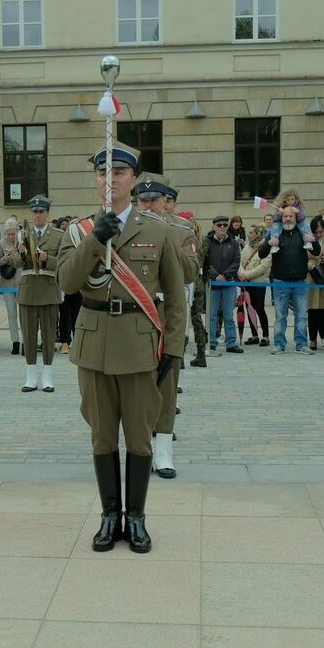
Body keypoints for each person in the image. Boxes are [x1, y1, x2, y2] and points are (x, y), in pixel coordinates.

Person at [56, 142, 185, 554]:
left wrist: (175, 350)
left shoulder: (158, 230)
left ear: (133, 179)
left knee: (140, 438)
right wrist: (96, 239)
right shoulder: (77, 231)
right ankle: (110, 515)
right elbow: (66, 281)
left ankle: (138, 517)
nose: (109, 180)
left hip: (140, 341)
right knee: (101, 436)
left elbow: (176, 297)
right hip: (93, 342)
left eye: (118, 173)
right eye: (102, 173)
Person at [139, 177, 196, 479]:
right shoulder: (128, 230)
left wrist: (166, 239)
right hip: (137, 315)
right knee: (138, 386)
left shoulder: (182, 231)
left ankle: (163, 453)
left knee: (167, 384)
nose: (148, 205)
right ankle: (142, 449)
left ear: (165, 202)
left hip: (168, 312)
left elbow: (190, 272)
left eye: (153, 200)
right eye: (143, 201)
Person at [1, 194, 63, 394]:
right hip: (27, 288)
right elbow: (15, 263)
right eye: (35, 212)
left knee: (48, 333)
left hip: (48, 287)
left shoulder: (58, 235)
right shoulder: (22, 235)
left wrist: (47, 258)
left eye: (41, 212)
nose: (37, 215)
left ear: (47, 213)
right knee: (28, 334)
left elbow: (63, 262)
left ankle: (47, 375)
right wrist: (19, 253)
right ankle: (30, 375)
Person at [260, 205, 319, 355]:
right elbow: (261, 254)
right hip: (280, 281)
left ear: (295, 218)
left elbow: (317, 251)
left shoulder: (302, 231)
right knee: (280, 316)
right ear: (281, 218)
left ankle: (301, 344)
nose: (288, 218)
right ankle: (279, 344)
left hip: (300, 281)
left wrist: (313, 240)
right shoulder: (275, 232)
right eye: (285, 216)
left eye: (290, 216)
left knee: (301, 315)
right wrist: (268, 244)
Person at [161, 183, 209, 365]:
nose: (164, 204)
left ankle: (183, 358)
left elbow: (197, 260)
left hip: (188, 283)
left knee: (186, 321)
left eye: (168, 200)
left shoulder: (186, 232)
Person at [205, 216, 242, 354]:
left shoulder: (233, 243)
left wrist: (225, 275)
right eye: (219, 225)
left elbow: (236, 261)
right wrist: (215, 275)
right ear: (214, 226)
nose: (222, 227)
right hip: (212, 284)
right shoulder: (206, 242)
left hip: (228, 283)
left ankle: (231, 343)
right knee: (212, 316)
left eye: (225, 225)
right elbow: (206, 261)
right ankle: (211, 342)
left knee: (228, 315)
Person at [0, 219, 23, 353]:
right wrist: (5, 259)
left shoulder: (22, 241)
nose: (11, 236)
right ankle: (15, 342)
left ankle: (25, 341)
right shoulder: (1, 242)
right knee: (11, 313)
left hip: (21, 281)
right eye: (8, 234)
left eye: (13, 233)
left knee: (23, 314)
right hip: (7, 281)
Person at [307, 216, 324, 349]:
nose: (319, 234)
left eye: (321, 231)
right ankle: (312, 339)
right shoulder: (308, 239)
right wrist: (310, 264)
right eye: (316, 232)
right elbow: (304, 257)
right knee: (312, 309)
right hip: (312, 276)